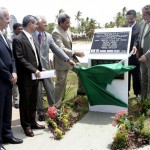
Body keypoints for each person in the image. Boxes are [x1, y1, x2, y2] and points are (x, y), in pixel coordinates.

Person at [32, 15, 76, 121]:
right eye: (44, 22)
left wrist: (67, 59)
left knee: (50, 89)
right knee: (38, 91)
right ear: (37, 24)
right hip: (35, 69)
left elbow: (57, 49)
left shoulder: (48, 36)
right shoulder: (30, 36)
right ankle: (41, 112)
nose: (47, 24)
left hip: (46, 68)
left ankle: (52, 110)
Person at [12, 15, 45, 137]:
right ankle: (26, 126)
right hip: (26, 77)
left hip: (35, 76)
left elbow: (35, 56)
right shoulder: (18, 39)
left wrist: (40, 68)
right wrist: (33, 69)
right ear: (30, 24)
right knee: (25, 102)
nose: (37, 26)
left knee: (33, 101)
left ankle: (32, 122)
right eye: (35, 23)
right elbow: (19, 58)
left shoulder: (33, 38)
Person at [0, 6, 23, 150]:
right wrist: (9, 75)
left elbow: (10, 57)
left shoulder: (3, 34)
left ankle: (7, 134)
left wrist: (14, 72)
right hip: (2, 80)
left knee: (7, 110)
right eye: (7, 18)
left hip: (8, 80)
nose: (9, 21)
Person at [52, 13, 85, 108]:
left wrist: (86, 34)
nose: (69, 25)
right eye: (67, 23)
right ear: (61, 23)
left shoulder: (66, 29)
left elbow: (73, 35)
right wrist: (74, 52)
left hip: (71, 59)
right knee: (60, 84)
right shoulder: (56, 33)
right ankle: (56, 105)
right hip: (62, 61)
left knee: (82, 71)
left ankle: (81, 92)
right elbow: (60, 48)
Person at [123, 10, 141, 98]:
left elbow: (138, 39)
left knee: (136, 75)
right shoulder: (124, 27)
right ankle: (125, 92)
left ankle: (137, 93)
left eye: (131, 19)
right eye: (128, 19)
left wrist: (135, 46)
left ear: (135, 17)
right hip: (125, 56)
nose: (129, 21)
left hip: (135, 55)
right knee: (126, 75)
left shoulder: (139, 27)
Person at [138, 5, 150, 100]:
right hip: (142, 57)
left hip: (148, 57)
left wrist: (147, 55)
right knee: (144, 79)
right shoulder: (142, 23)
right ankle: (143, 100)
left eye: (144, 14)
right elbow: (139, 38)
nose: (143, 16)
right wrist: (135, 47)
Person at [11, 23, 23, 108]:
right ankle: (16, 100)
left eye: (21, 29)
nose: (21, 30)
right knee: (15, 83)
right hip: (14, 64)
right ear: (14, 30)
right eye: (19, 29)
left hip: (21, 63)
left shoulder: (22, 37)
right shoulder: (10, 39)